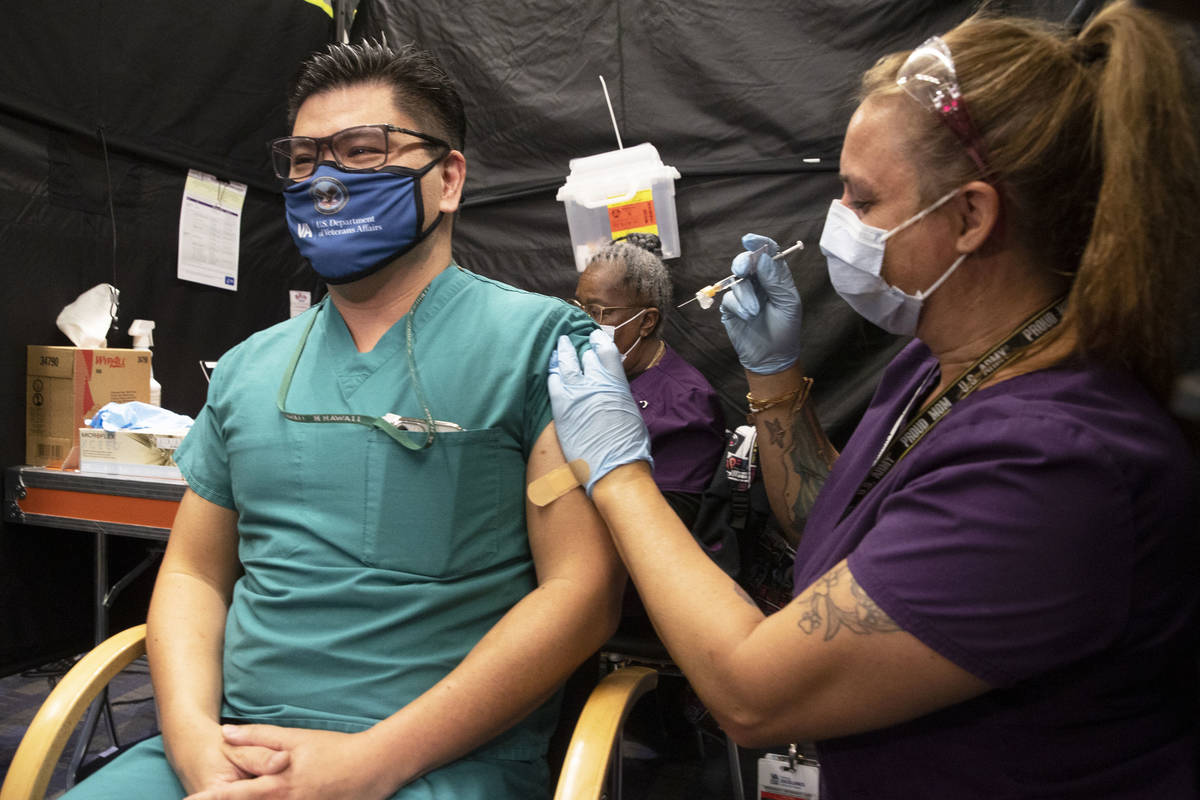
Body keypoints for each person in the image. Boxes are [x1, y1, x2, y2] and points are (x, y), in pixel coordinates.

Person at [546, 2, 1200, 796]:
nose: (838, 224)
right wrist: (775, 380)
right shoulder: (940, 361)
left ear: (970, 216)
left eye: (861, 201)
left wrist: (616, 471)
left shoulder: (1057, 466)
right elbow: (833, 524)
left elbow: (755, 695)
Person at [64, 40, 622, 800]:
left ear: (448, 178)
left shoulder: (545, 350)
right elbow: (194, 572)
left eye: (362, 151)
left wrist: (374, 761)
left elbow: (582, 594)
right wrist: (194, 744)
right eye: (303, 160)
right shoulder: (252, 368)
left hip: (435, 764)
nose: (325, 180)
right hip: (228, 753)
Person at [572, 233, 725, 527]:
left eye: (595, 311)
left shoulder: (687, 405)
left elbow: (663, 529)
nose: (581, 321)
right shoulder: (593, 373)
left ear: (646, 321)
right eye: (578, 306)